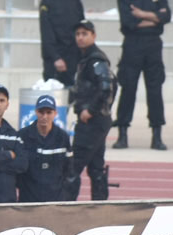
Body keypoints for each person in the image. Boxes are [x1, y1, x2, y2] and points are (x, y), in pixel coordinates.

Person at [64, 21, 117, 202]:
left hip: (92, 121)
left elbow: (107, 87)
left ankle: (66, 206)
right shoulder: (86, 59)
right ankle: (100, 205)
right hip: (96, 121)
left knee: (73, 166)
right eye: (78, 33)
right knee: (96, 167)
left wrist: (90, 110)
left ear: (93, 36)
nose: (80, 37)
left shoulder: (96, 60)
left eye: (84, 33)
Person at [111, 0, 172, 151]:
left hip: (153, 46)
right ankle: (122, 134)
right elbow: (128, 22)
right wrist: (155, 18)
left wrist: (142, 15)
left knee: (155, 91)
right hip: (132, 45)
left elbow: (166, 17)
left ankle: (157, 136)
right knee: (128, 90)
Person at [17, 94, 73, 203]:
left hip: (56, 202)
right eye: (41, 112)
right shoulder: (22, 136)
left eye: (49, 112)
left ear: (55, 113)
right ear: (36, 112)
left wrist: (65, 197)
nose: (45, 116)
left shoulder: (63, 137)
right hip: (29, 201)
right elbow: (17, 170)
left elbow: (69, 170)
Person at [38, 0, 86, 87]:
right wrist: (55, 57)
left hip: (73, 59)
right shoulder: (47, 3)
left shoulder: (76, 2)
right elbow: (46, 33)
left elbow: (82, 27)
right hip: (55, 62)